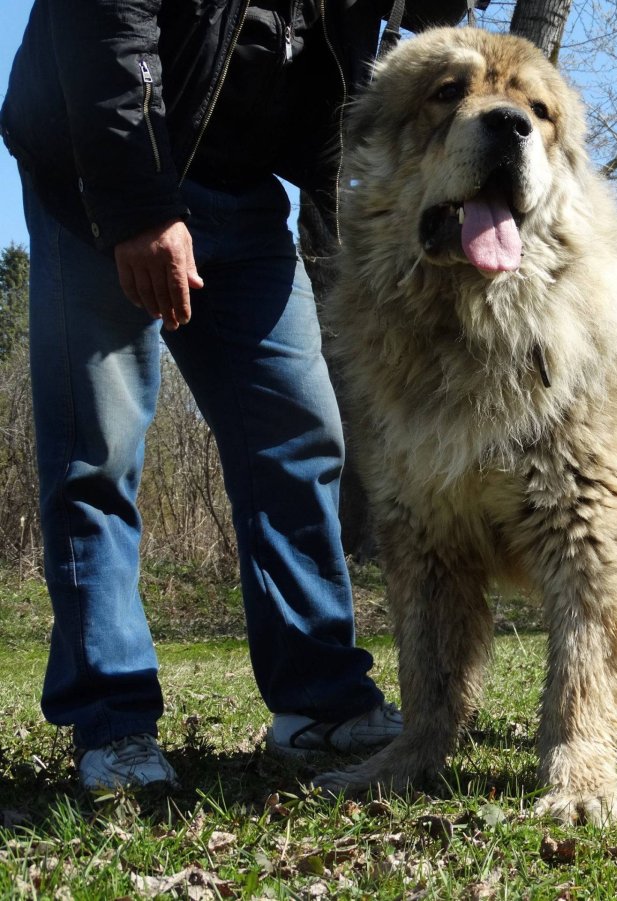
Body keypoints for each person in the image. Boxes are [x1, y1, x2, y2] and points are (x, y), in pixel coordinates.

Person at [1, 0, 471, 792]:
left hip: (241, 197)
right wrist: (139, 209)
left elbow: (344, 119)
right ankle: (112, 724)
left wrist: (369, 255)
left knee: (301, 432)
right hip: (98, 175)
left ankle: (318, 703)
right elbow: (103, 30)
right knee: (98, 454)